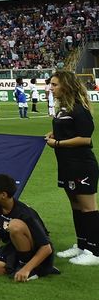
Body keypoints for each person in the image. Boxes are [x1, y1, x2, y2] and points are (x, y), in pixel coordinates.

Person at [45, 70, 99, 266]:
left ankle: (95, 251)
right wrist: (53, 134)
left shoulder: (79, 109)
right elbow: (68, 131)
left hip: (81, 165)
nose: (51, 88)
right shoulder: (63, 109)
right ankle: (82, 245)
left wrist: (58, 143)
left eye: (55, 84)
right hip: (67, 165)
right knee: (75, 206)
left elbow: (85, 139)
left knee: (88, 207)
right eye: (51, 84)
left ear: (66, 86)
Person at [0, 173, 59, 281]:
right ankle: (32, 269)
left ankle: (32, 268)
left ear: (3, 195)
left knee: (15, 225)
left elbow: (46, 248)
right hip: (14, 247)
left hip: (38, 250)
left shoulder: (25, 213)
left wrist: (26, 269)